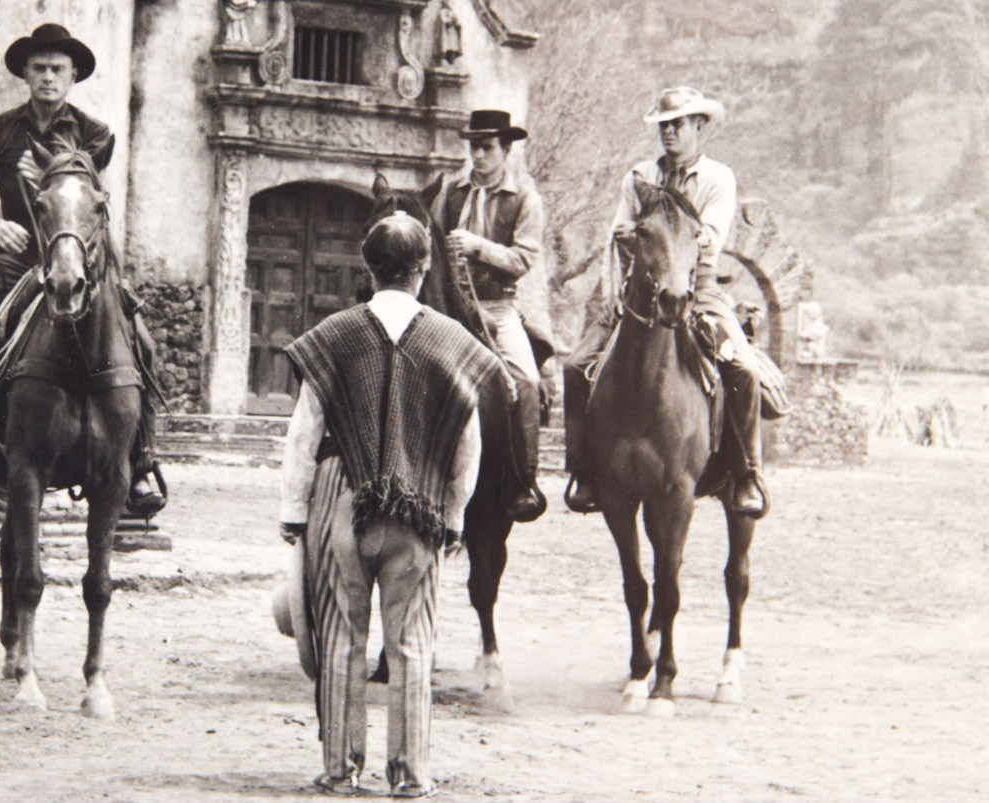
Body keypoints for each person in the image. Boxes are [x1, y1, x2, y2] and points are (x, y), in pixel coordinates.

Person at [279, 213, 500, 798]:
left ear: (367, 267)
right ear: (424, 270)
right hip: (419, 509)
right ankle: (408, 775)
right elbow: (467, 443)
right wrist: (453, 514)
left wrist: (294, 511)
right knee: (411, 644)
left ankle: (339, 770)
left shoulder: (335, 334)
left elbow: (305, 431)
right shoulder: (453, 342)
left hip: (339, 500)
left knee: (340, 639)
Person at [0, 22, 162, 513]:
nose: (48, 77)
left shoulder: (95, 134)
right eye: (39, 68)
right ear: (25, 74)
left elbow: (85, 192)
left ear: (74, 74)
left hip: (77, 251)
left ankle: (141, 458)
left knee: (140, 337)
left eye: (58, 68)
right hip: (17, 252)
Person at [562, 86, 769, 518]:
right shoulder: (639, 176)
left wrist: (658, 233)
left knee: (743, 368)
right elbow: (617, 235)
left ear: (699, 127)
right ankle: (583, 469)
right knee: (576, 365)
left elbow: (706, 238)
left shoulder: (718, 179)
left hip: (700, 289)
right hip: (639, 291)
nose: (668, 133)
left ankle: (745, 472)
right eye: (663, 126)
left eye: (677, 125)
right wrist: (612, 290)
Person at [436, 108, 547, 522]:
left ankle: (524, 480)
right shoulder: (452, 191)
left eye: (486, 148)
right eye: (473, 148)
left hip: (497, 306)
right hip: (452, 304)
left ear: (506, 149)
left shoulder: (524, 198)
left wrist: (478, 248)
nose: (477, 156)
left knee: (526, 379)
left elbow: (523, 259)